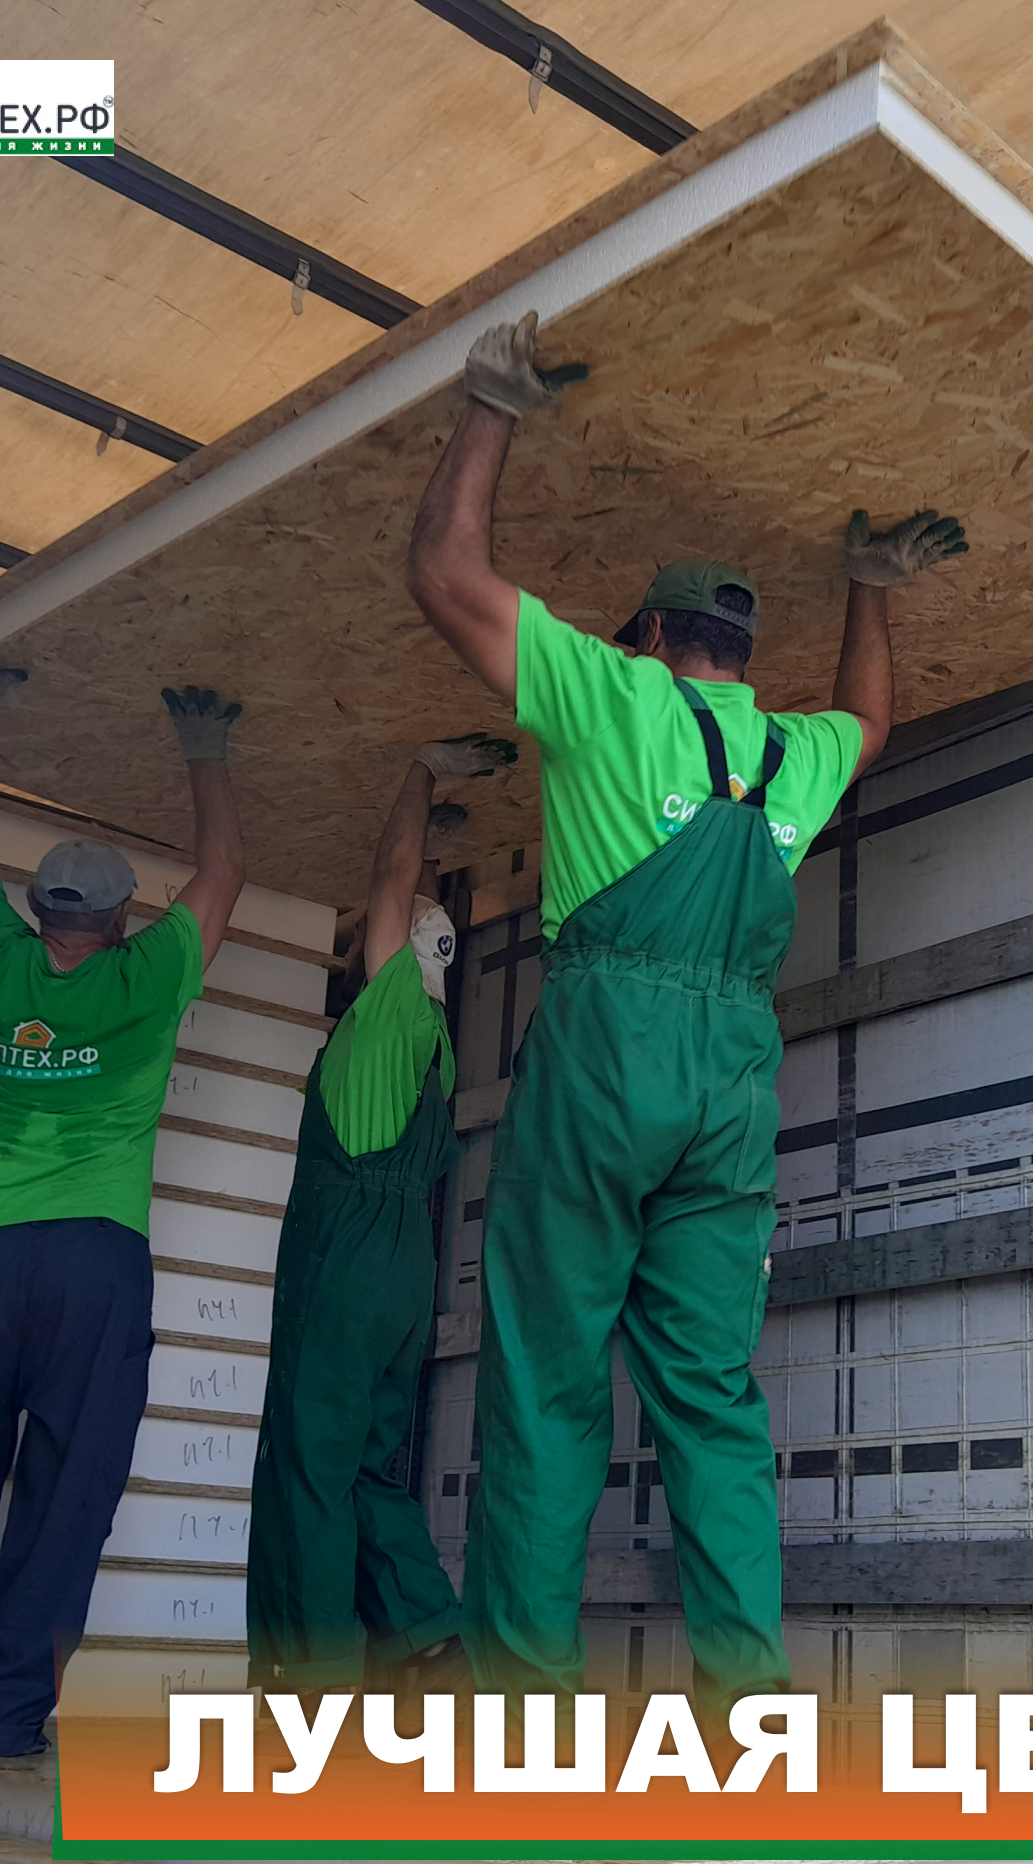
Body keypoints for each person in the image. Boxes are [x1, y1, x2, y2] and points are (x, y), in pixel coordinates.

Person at [405, 311, 966, 1721]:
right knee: (712, 1397)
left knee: (546, 1382)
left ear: (654, 637)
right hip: (727, 1084)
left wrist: (491, 409)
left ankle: (521, 1714)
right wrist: (869, 592)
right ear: (739, 650)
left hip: (605, 1057)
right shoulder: (792, 754)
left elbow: (445, 576)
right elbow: (872, 722)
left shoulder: (615, 696)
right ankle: (749, 1713)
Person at [0, 651, 247, 1757]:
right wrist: (205, 751)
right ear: (120, 919)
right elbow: (223, 872)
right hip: (90, 1263)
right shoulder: (147, 978)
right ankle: (4, 1713)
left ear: (34, 911)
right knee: (66, 1492)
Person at [246, 735, 515, 1693]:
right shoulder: (434, 1040)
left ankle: (305, 1675)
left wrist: (421, 774)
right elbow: (417, 904)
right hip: (405, 1268)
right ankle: (421, 1633)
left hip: (345, 1260)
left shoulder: (388, 1005)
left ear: (396, 954)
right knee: (363, 1462)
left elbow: (390, 877)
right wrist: (440, 841)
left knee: (306, 1466)